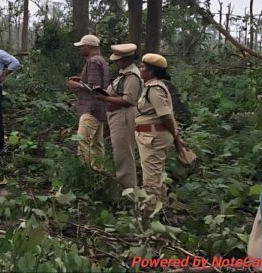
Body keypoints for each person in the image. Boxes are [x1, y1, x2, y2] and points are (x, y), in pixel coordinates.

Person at [134, 53, 186, 205]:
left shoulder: (155, 89)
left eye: (143, 67)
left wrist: (176, 137)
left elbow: (166, 116)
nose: (140, 69)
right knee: (156, 175)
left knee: (151, 178)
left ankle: (151, 213)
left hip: (153, 137)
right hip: (150, 135)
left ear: (150, 71)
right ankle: (160, 208)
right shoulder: (149, 87)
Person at [93, 43, 142, 189]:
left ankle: (129, 192)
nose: (115, 62)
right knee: (119, 154)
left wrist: (105, 99)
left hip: (124, 117)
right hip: (116, 116)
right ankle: (124, 189)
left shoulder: (132, 75)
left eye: (118, 60)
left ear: (127, 59)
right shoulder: (123, 73)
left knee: (124, 156)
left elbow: (128, 100)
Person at [67, 34, 110, 170]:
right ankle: (99, 171)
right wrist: (81, 80)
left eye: (82, 47)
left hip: (90, 109)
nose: (80, 49)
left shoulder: (93, 61)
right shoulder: (102, 60)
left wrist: (77, 85)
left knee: (83, 141)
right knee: (97, 144)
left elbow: (95, 88)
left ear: (89, 47)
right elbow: (99, 86)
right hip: (100, 109)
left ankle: (85, 173)